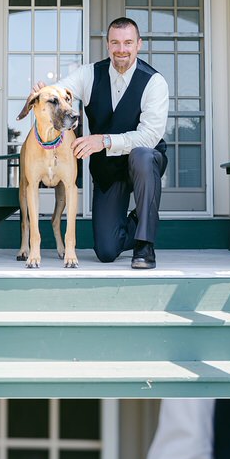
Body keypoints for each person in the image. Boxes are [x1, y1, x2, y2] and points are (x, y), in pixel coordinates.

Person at [32, 17, 169, 270]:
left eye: (128, 42)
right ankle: (143, 217)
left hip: (144, 162)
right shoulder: (89, 74)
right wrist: (47, 93)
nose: (121, 49)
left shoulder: (154, 82)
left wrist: (103, 140)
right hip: (108, 170)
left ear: (138, 45)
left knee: (143, 155)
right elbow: (62, 91)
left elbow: (149, 136)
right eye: (115, 43)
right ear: (108, 45)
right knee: (106, 250)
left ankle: (144, 244)